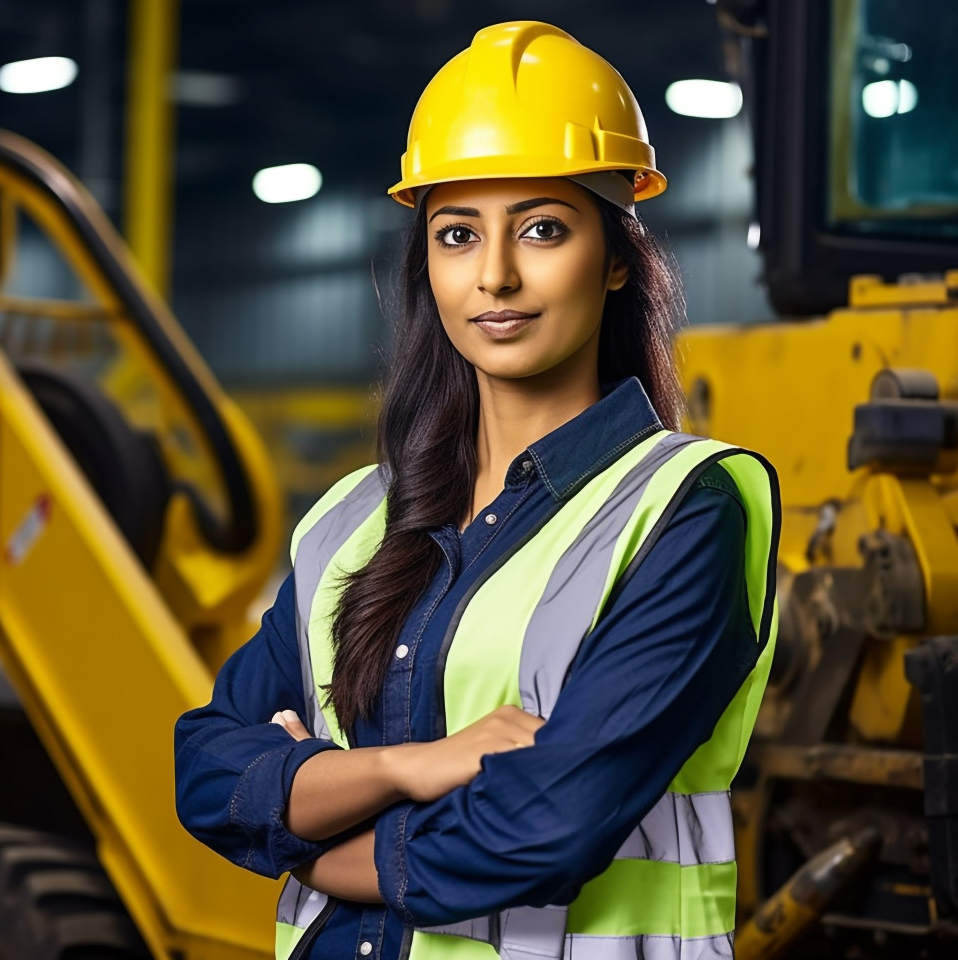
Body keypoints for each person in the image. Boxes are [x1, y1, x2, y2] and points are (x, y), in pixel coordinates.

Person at [174, 20, 781, 960]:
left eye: (542, 228)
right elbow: (207, 769)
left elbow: (543, 829)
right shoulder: (348, 520)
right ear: (428, 260)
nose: (495, 275)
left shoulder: (687, 509)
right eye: (458, 234)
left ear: (617, 256)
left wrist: (317, 847)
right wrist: (418, 766)